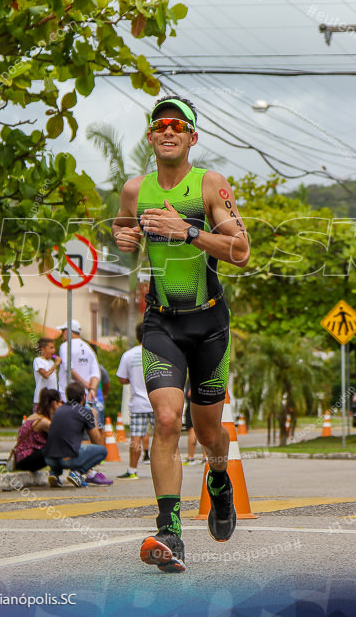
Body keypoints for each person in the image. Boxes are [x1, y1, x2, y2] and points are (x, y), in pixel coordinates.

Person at [112, 96, 250, 571]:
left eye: (178, 125)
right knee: (168, 419)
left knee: (210, 433)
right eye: (159, 125)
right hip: (162, 321)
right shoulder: (135, 189)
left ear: (192, 137)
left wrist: (187, 231)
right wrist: (124, 237)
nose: (167, 131)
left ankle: (218, 479)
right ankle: (169, 529)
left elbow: (241, 250)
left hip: (209, 325)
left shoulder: (209, 184)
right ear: (150, 137)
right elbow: (126, 232)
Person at [44, 381, 108, 487]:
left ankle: (54, 473)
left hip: (49, 459)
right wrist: (95, 419)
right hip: (68, 460)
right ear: (84, 397)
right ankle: (77, 473)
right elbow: (97, 441)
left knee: (61, 445)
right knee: (102, 451)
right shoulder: (85, 412)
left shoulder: (59, 410)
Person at [116, 323, 154, 480]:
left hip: (137, 403)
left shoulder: (128, 355)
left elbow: (122, 378)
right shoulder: (156, 353)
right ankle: (165, 469)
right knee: (163, 437)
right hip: (156, 402)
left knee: (136, 438)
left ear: (137, 335)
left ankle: (132, 470)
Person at [56, 320, 103, 427]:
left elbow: (69, 370)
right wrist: (91, 389)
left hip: (67, 396)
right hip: (85, 398)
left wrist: (85, 383)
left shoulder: (65, 346)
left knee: (68, 427)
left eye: (63, 331)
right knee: (87, 426)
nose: (62, 334)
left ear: (68, 332)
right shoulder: (88, 348)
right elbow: (96, 374)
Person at [13, 388, 61, 473]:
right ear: (54, 403)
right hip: (25, 460)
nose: (62, 405)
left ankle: (56, 474)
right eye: (61, 402)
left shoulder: (35, 416)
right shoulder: (44, 422)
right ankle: (56, 473)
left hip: (22, 459)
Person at [32, 337, 61, 412]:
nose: (54, 350)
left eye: (54, 348)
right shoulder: (38, 361)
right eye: (51, 348)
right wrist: (56, 364)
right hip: (41, 401)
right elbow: (46, 375)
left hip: (53, 400)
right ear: (43, 349)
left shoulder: (51, 362)